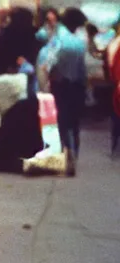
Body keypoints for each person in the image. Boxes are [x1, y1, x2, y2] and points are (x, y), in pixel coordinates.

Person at [37, 8, 89, 173]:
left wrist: (45, 82)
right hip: (77, 86)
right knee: (75, 123)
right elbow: (83, 70)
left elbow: (48, 63)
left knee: (63, 122)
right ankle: (74, 154)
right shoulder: (79, 43)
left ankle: (68, 152)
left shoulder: (57, 40)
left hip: (61, 85)